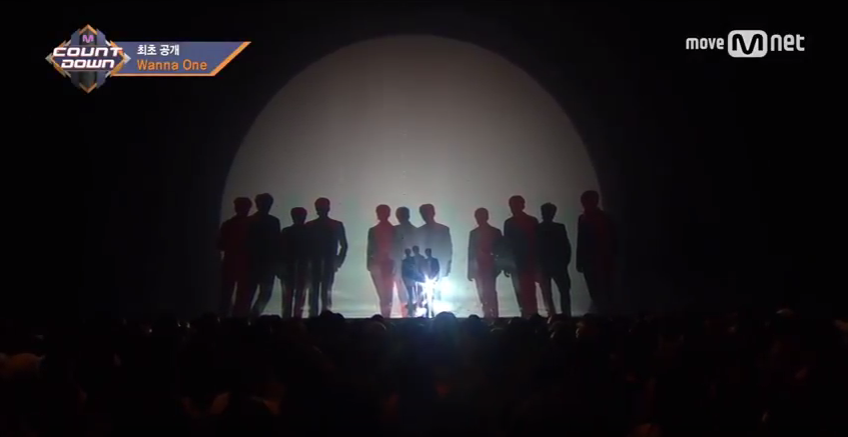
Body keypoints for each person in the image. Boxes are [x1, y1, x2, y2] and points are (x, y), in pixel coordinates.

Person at [236, 193, 280, 318]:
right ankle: (250, 316)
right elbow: (277, 243)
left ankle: (246, 317)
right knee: (256, 293)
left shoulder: (250, 221)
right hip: (257, 263)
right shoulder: (272, 221)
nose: (266, 206)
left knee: (251, 294)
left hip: (257, 263)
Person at [305, 198, 348, 317]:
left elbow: (344, 245)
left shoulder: (311, 225)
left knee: (319, 290)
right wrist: (338, 260)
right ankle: (321, 315)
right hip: (320, 262)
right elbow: (344, 245)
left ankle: (316, 316)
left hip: (320, 262)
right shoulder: (334, 225)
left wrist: (338, 261)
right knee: (323, 290)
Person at [576, 190, 616, 314]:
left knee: (605, 288)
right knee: (594, 289)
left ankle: (606, 311)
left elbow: (611, 239)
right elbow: (580, 241)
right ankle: (602, 311)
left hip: (602, 259)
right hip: (591, 260)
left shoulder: (603, 218)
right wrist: (579, 260)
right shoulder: (583, 218)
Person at [503, 195, 540, 318]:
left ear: (522, 205)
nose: (513, 208)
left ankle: (530, 314)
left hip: (525, 261)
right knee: (522, 290)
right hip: (519, 262)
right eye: (512, 205)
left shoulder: (528, 221)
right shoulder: (527, 221)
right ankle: (528, 314)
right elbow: (507, 244)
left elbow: (536, 242)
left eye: (515, 205)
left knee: (528, 289)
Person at [217, 197, 253, 317]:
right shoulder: (252, 225)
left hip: (230, 262)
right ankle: (238, 318)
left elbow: (220, 244)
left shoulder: (228, 224)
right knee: (243, 295)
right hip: (246, 264)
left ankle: (223, 317)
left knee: (226, 294)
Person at [537, 202, 573, 317]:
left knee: (549, 292)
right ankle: (565, 314)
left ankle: (552, 314)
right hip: (557, 264)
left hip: (548, 265)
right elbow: (566, 246)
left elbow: (535, 248)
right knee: (562, 290)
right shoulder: (559, 227)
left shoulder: (538, 228)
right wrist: (565, 261)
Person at [467, 207, 503, 318]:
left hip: (489, 266)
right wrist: (470, 270)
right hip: (480, 266)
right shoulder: (476, 233)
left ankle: (493, 313)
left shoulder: (494, 232)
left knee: (489, 290)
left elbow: (501, 250)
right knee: (483, 291)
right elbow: (471, 252)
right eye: (477, 217)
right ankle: (489, 313)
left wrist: (499, 265)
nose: (479, 219)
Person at [279, 207, 310, 318]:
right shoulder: (308, 232)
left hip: (295, 266)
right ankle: (295, 317)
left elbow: (280, 250)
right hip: (297, 266)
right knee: (297, 294)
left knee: (291, 294)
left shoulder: (287, 231)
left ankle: (289, 317)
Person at [417, 204, 452, 301]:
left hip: (439, 263)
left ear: (433, 213)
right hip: (425, 264)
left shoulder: (443, 230)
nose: (425, 215)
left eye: (427, 213)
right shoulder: (419, 231)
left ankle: (435, 302)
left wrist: (448, 263)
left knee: (437, 286)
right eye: (423, 213)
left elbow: (448, 248)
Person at [367, 205, 396, 318]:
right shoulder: (374, 230)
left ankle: (386, 316)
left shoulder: (393, 230)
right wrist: (369, 263)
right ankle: (386, 316)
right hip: (380, 264)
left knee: (386, 293)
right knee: (383, 293)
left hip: (388, 264)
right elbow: (370, 248)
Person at [392, 207, 418, 317]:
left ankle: (409, 313)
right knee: (405, 289)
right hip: (402, 263)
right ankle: (407, 314)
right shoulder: (414, 230)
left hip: (407, 264)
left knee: (408, 289)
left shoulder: (414, 231)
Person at [400, 248, 422, 318]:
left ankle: (414, 306)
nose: (408, 253)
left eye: (408, 252)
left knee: (415, 293)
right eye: (407, 252)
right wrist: (404, 278)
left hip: (413, 278)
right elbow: (403, 271)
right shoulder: (405, 261)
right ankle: (411, 308)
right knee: (410, 294)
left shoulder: (412, 260)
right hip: (408, 278)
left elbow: (415, 269)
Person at [423, 248, 441, 317]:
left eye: (428, 252)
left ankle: (432, 307)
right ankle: (427, 308)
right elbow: (422, 269)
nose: (427, 253)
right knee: (426, 294)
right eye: (426, 252)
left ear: (430, 252)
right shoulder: (424, 261)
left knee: (432, 294)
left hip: (433, 279)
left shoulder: (435, 260)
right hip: (426, 279)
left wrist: (434, 276)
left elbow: (437, 269)